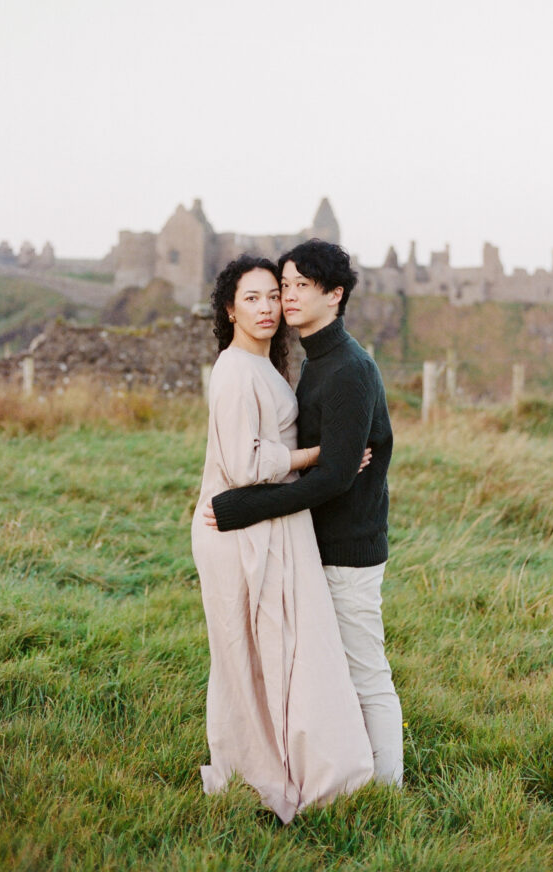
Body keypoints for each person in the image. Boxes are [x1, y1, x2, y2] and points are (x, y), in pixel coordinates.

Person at [205, 240, 403, 786]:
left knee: (366, 676)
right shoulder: (316, 361)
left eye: (298, 287)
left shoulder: (347, 369)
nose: (286, 298)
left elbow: (338, 476)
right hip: (317, 542)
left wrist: (243, 507)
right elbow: (326, 461)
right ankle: (338, 771)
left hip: (348, 546)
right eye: (282, 286)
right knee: (329, 673)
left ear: (335, 295)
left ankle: (388, 788)